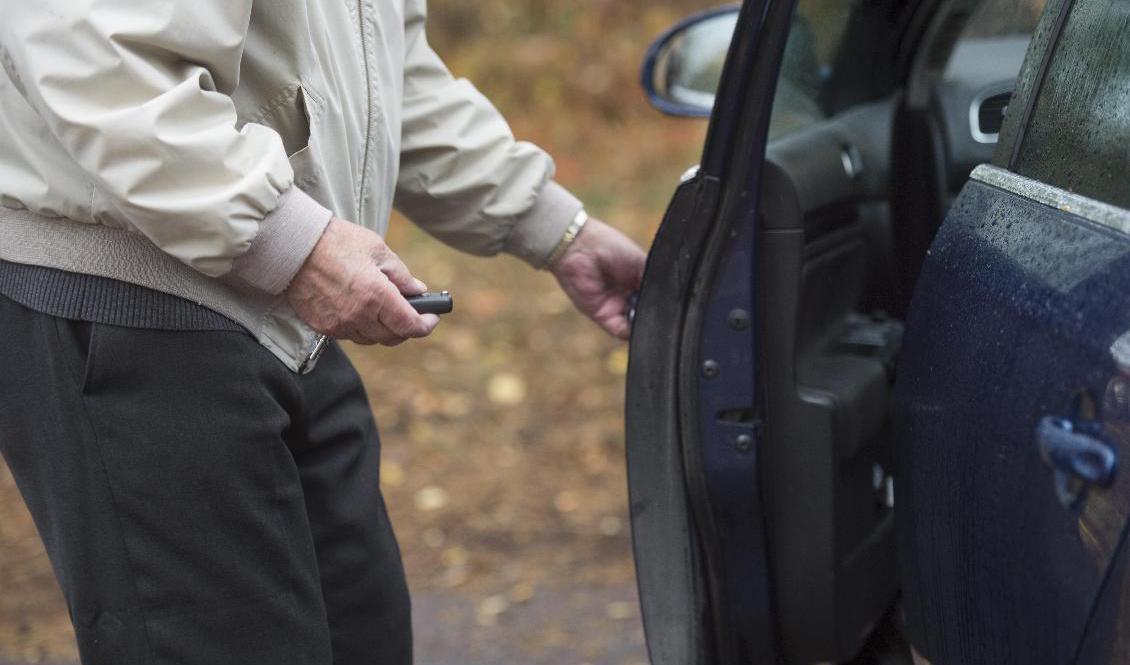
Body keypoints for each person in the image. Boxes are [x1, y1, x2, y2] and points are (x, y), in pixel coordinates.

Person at [0, 2, 647, 664]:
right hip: (135, 303)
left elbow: (381, 67)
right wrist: (293, 245)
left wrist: (553, 226)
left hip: (281, 304)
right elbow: (95, 53)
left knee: (365, 635)